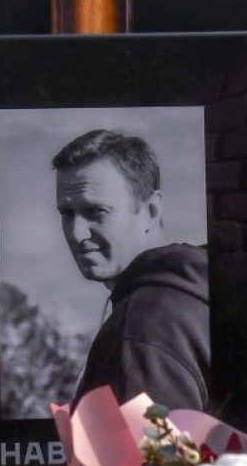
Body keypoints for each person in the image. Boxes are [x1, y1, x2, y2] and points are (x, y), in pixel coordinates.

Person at [53, 128, 209, 411]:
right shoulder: (190, 295)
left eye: (96, 212)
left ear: (151, 210)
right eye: (67, 213)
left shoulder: (144, 321)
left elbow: (156, 454)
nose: (77, 233)